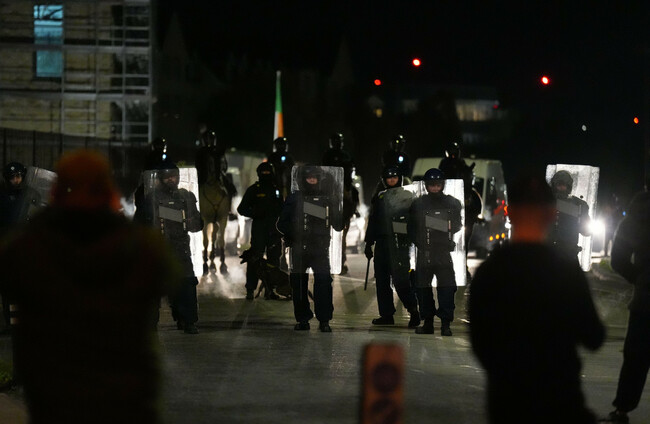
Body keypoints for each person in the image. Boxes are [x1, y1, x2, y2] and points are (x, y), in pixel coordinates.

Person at [0, 150, 180, 423]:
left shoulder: (30, 245)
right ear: (106, 189)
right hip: (124, 391)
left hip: (55, 390)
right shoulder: (137, 245)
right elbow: (167, 277)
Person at [469, 174, 605, 424]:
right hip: (559, 396)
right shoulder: (567, 272)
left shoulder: (492, 271)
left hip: (507, 400)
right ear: (551, 214)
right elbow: (594, 337)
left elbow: (480, 342)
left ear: (511, 214)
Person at [133, 160, 204, 334]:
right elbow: (139, 223)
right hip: (158, 247)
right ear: (160, 178)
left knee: (186, 284)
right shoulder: (151, 198)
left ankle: (188, 320)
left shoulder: (185, 196)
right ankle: (150, 324)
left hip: (180, 248)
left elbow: (197, 223)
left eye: (175, 176)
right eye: (168, 177)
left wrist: (190, 221)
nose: (172, 180)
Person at [599, 189, 650, 424]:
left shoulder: (639, 212)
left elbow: (618, 260)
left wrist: (640, 279)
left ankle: (622, 411)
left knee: (636, 359)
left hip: (646, 301)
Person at [277, 165, 343, 332]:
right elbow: (281, 223)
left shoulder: (327, 199)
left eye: (315, 177)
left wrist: (336, 207)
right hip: (299, 249)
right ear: (303, 180)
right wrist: (293, 234)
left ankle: (324, 320)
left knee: (324, 284)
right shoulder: (295, 198)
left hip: (320, 250)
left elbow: (338, 226)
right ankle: (303, 319)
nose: (312, 180)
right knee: (299, 285)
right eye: (309, 178)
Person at [408, 168, 462, 335]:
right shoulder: (418, 204)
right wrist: (419, 242)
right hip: (425, 251)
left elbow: (457, 225)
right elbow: (411, 227)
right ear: (426, 185)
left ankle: (446, 324)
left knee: (447, 288)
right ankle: (428, 323)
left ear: (443, 184)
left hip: (443, 251)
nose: (435, 188)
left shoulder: (452, 203)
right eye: (432, 185)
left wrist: (432, 224)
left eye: (438, 185)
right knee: (423, 289)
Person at [364, 166, 420, 328]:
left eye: (394, 177)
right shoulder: (380, 197)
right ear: (384, 180)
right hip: (382, 243)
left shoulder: (407, 196)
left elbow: (412, 222)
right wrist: (369, 242)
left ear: (399, 178)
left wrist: (409, 236)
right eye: (389, 178)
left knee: (401, 280)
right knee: (382, 281)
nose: (392, 180)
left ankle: (413, 310)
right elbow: (374, 221)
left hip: (399, 243)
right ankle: (386, 314)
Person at [0, 162, 42, 332]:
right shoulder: (3, 196)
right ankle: (12, 322)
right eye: (12, 177)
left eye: (18, 176)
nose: (15, 180)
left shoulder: (30, 194)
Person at [237, 162, 284, 300]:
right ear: (259, 174)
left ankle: (271, 290)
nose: (266, 175)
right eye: (264, 172)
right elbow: (241, 209)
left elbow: (282, 208)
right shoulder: (253, 190)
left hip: (274, 231)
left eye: (268, 172)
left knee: (274, 260)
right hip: (259, 230)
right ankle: (250, 289)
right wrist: (255, 213)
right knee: (255, 259)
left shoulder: (277, 189)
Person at [322, 133, 359, 274]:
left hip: (344, 185)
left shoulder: (346, 155)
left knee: (354, 193)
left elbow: (352, 169)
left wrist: (347, 186)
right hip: (330, 185)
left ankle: (353, 209)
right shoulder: (328, 155)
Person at [549, 170, 591, 261]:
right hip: (550, 253)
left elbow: (586, 231)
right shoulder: (545, 203)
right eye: (559, 184)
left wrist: (582, 219)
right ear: (554, 185)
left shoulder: (579, 205)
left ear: (569, 186)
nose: (561, 187)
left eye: (564, 185)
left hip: (569, 254)